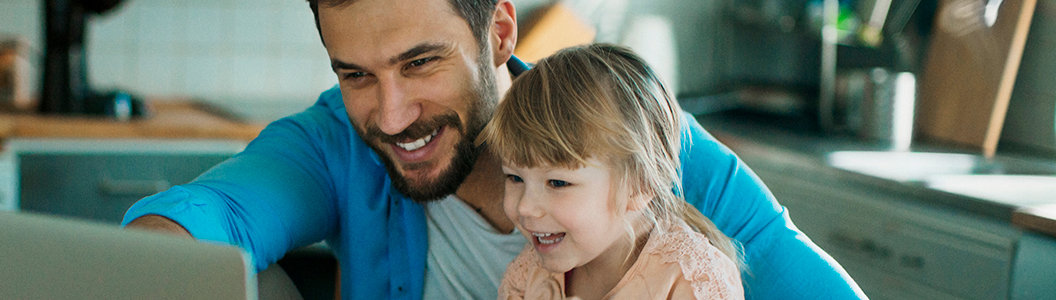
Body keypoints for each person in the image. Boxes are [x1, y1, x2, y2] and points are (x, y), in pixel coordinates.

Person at [123, 0, 865, 299]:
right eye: (355, 74)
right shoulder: (334, 142)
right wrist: (144, 260)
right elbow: (218, 211)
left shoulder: (629, 132)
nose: (390, 114)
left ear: (499, 33)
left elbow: (804, 280)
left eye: (421, 63)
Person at [486, 43, 742, 300]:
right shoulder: (528, 277)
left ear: (639, 185)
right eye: (515, 177)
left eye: (557, 183)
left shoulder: (692, 280)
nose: (525, 208)